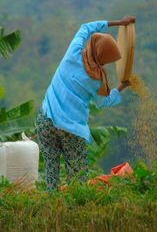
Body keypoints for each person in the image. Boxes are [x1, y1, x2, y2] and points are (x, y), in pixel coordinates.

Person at [35, 16, 136, 191]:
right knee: (78, 175)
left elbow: (86, 27)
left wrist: (119, 23)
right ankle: (76, 209)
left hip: (46, 120)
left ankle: (51, 204)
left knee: (52, 170)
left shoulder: (72, 53)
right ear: (102, 58)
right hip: (70, 130)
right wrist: (122, 86)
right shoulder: (96, 81)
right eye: (106, 61)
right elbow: (104, 103)